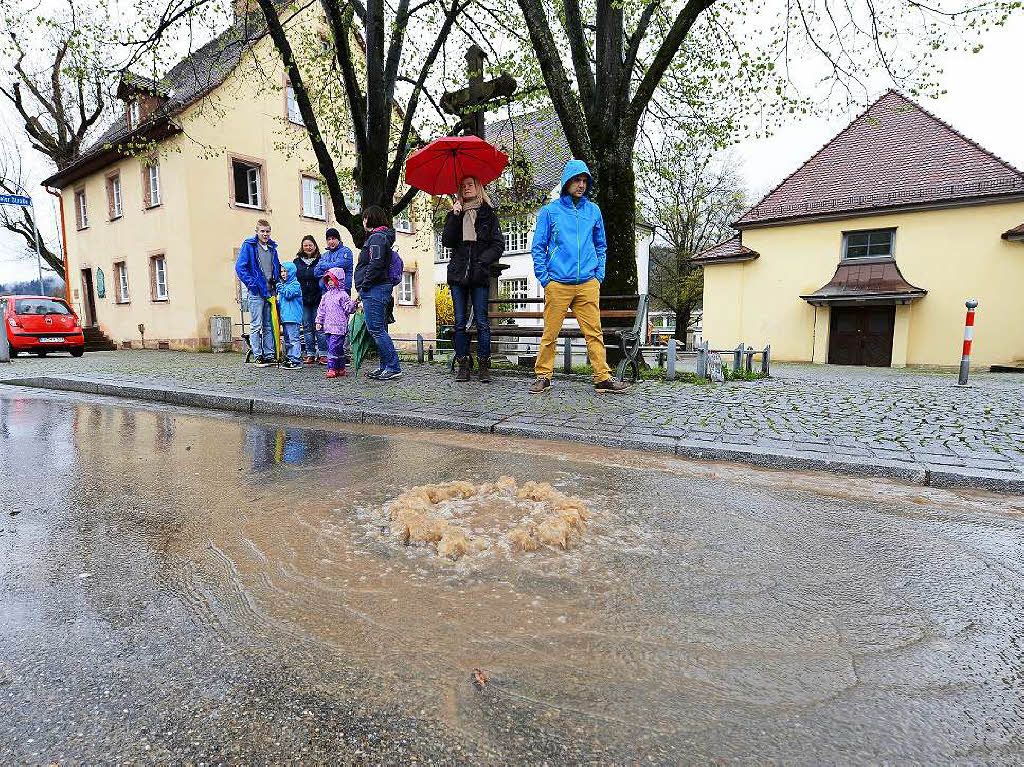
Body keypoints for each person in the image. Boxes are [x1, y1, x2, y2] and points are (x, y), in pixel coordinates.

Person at [530, 160, 630, 394]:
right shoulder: (549, 211)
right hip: (557, 283)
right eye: (577, 180)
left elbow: (601, 245)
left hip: (587, 283)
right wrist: (545, 278)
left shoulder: (593, 211)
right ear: (567, 182)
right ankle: (543, 376)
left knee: (594, 332)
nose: (581, 185)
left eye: (585, 180)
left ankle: (602, 377)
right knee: (550, 334)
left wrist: (598, 276)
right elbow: (538, 247)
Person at [442, 175, 504, 383]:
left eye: (471, 185)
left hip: (479, 275)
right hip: (458, 275)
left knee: (482, 323)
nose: (467, 188)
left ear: (478, 188)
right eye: (463, 186)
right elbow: (447, 241)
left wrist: (482, 262)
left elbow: (498, 244)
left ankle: (484, 365)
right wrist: (455, 215)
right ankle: (463, 365)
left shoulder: (488, 214)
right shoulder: (455, 212)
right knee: (459, 322)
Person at [353, 205, 402, 380]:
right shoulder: (380, 237)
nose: (363, 221)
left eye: (364, 218)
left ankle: (393, 366)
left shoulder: (377, 238)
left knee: (376, 330)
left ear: (370, 218)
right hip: (376, 288)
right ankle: (385, 367)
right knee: (379, 329)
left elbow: (375, 264)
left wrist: (364, 285)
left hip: (375, 288)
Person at [234, 219, 282, 367]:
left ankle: (268, 355)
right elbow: (240, 268)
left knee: (268, 325)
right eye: (262, 231)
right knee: (256, 325)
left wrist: (277, 282)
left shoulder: (273, 248)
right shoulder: (249, 246)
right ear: (257, 232)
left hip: (270, 292)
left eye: (267, 231)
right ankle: (257, 355)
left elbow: (276, 268)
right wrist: (253, 285)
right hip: (256, 292)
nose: (265, 234)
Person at [315, 227, 354, 363]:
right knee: (329, 325)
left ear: (338, 239)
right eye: (329, 239)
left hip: (342, 292)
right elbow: (316, 271)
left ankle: (345, 354)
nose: (331, 241)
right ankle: (333, 355)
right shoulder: (325, 255)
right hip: (327, 292)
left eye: (333, 239)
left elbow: (341, 265)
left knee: (342, 324)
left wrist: (325, 267)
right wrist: (330, 267)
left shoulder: (346, 252)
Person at [315, 267, 358, 378]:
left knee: (333, 348)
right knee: (336, 348)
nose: (330, 283)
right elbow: (321, 310)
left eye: (332, 280)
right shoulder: (326, 296)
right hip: (328, 326)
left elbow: (349, 309)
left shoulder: (343, 295)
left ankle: (332, 368)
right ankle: (341, 367)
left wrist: (353, 304)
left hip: (339, 327)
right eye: (328, 280)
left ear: (339, 280)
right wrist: (319, 321)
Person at [293, 235, 326, 364]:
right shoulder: (296, 262)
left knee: (319, 326)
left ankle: (323, 353)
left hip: (318, 299)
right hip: (303, 300)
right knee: (307, 327)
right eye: (305, 245)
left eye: (310, 245)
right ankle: (310, 353)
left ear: (315, 246)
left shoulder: (321, 260)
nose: (308, 247)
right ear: (302, 247)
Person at [276, 262, 305, 370]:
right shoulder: (284, 285)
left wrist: (279, 287)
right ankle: (289, 358)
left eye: (285, 271)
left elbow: (288, 295)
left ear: (291, 272)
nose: (283, 274)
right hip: (285, 318)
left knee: (294, 339)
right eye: (282, 271)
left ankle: (295, 359)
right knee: (287, 340)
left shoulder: (295, 284)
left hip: (293, 317)